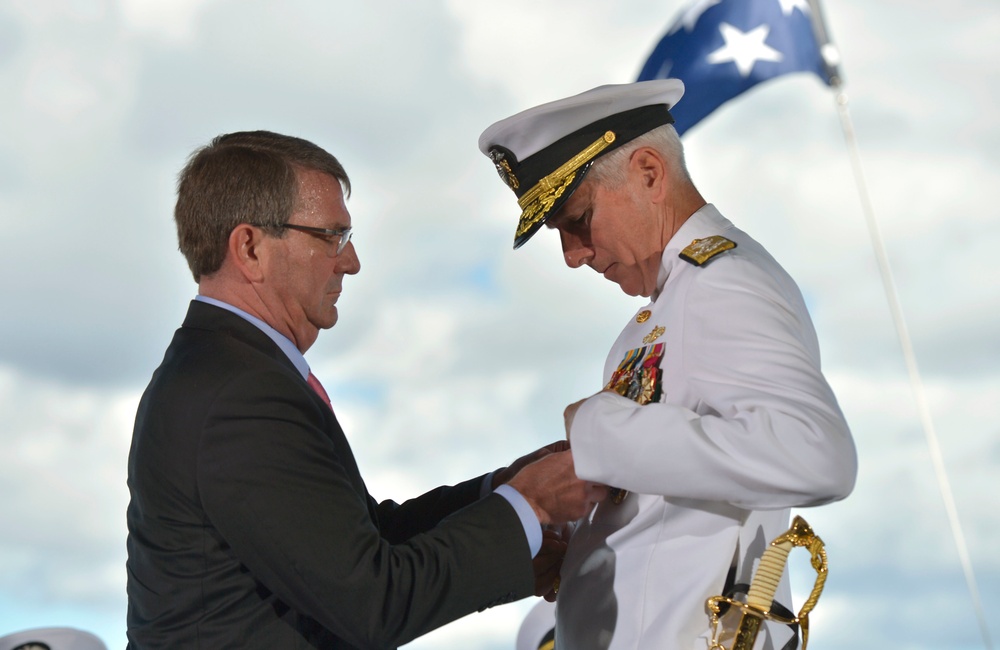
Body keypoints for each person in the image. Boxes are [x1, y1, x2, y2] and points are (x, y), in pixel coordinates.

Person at [125, 130, 606, 649]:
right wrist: (527, 505)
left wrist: (502, 487)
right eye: (331, 237)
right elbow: (371, 599)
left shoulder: (227, 372)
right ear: (250, 248)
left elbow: (361, 541)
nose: (350, 261)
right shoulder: (239, 394)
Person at [479, 80, 858, 649]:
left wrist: (602, 433)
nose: (573, 256)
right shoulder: (666, 307)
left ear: (650, 173)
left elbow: (817, 452)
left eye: (578, 219)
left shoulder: (725, 282)